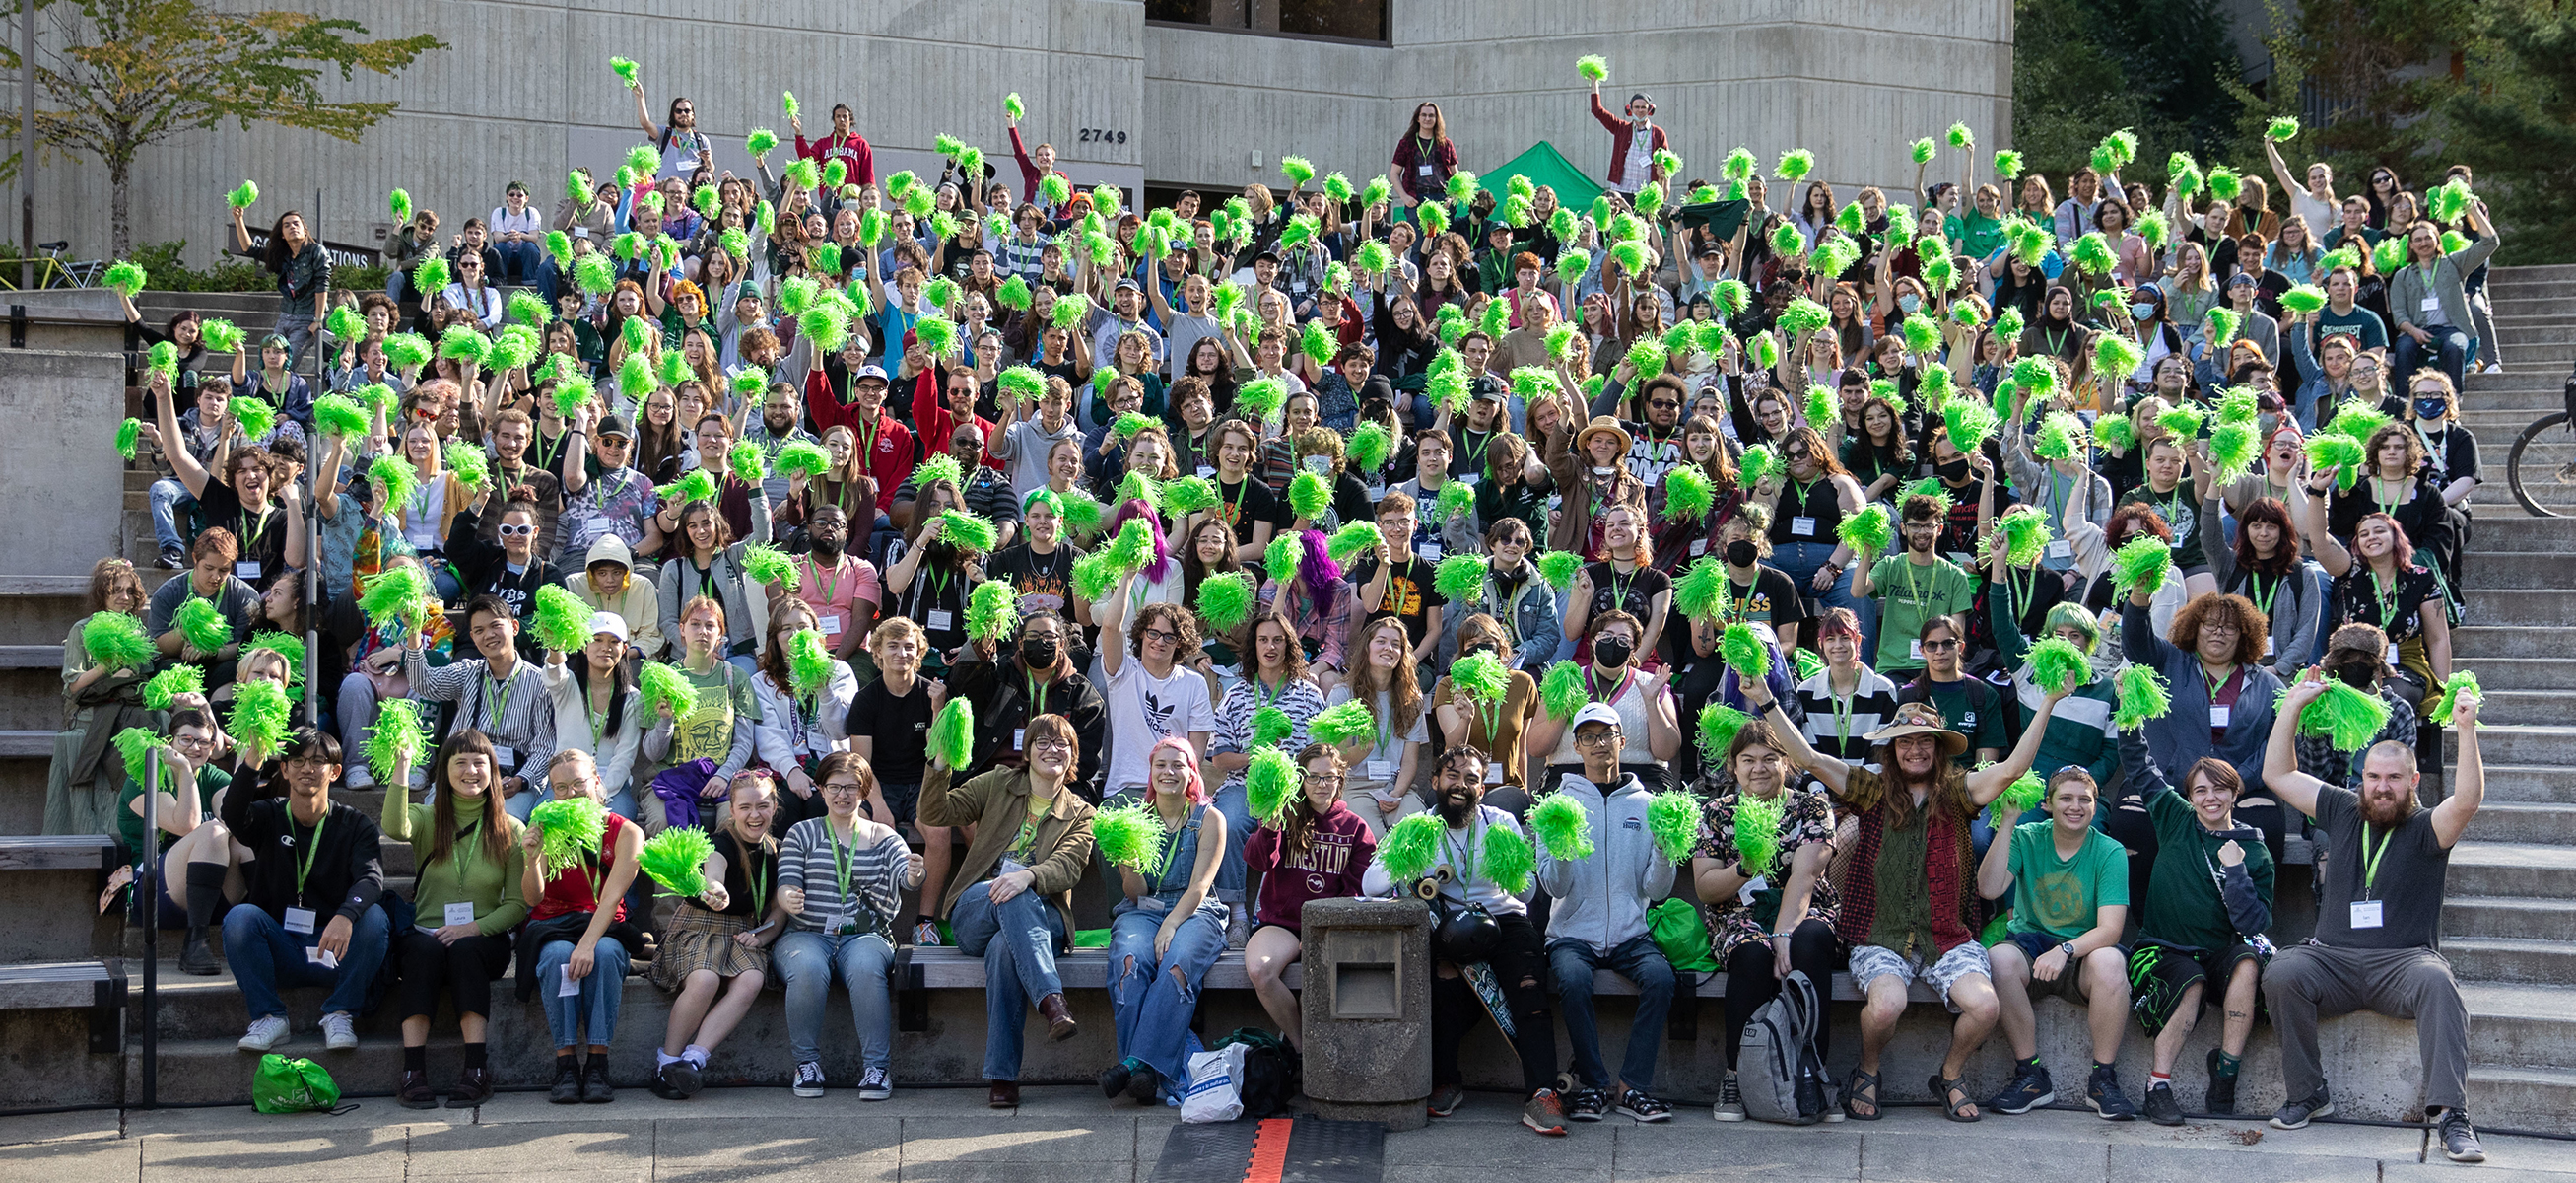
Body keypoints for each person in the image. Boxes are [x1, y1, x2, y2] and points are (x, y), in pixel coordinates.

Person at [1732, 674, 2072, 1122]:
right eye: (1905, 742)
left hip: (1946, 937)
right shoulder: (1870, 790)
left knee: (1986, 1005)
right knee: (1887, 1005)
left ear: (1938, 749)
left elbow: (2012, 769)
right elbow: (1810, 759)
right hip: (1881, 936)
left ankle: (1949, 1074)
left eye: (1925, 742)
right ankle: (1867, 1071)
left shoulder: (1958, 791)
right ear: (1891, 749)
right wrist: (1767, 700)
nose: (1915, 750)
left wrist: (2047, 699)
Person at [2261, 672, 2487, 1162]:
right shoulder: (2342, 808)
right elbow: (2277, 776)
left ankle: (2452, 1115)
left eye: (2393, 778)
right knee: (2282, 971)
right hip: (2333, 961)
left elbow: (2467, 801)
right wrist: (2292, 707)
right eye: (2373, 777)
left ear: (2413, 781)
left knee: (2439, 984)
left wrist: (2465, 731)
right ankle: (2308, 1093)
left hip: (2403, 964)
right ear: (2360, 778)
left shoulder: (2429, 827)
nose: (2382, 788)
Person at [1360, 748, 1567, 1135]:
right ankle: (1446, 1082)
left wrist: (1508, 864)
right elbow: (1370, 885)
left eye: (1471, 779)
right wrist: (1408, 854)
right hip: (1450, 926)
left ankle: (1542, 1093)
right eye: (1452, 776)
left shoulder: (1501, 821)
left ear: (1482, 788)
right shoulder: (1417, 824)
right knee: (1440, 982)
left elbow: (1525, 896)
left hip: (1505, 920)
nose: (1461, 785)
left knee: (1529, 986)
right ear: (1435, 780)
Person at [918, 711, 1100, 1109]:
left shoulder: (1082, 813)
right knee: (1006, 895)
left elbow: (1069, 866)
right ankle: (1052, 1002)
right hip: (975, 910)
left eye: (1062, 744)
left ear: (1072, 756)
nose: (1052, 750)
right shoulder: (999, 783)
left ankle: (1003, 1078)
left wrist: (1028, 876)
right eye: (1042, 742)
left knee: (1005, 948)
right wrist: (940, 765)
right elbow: (936, 814)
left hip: (1043, 916)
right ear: (1027, 750)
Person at [1691, 717, 1843, 1122]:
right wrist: (1745, 867)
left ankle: (1814, 1071)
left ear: (1786, 762)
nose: (1759, 768)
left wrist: (1783, 933)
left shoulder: (1811, 806)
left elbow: (1806, 874)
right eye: (1748, 760)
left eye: (1770, 758)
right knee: (1753, 955)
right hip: (1736, 916)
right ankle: (1735, 1076)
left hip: (1805, 908)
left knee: (1809, 944)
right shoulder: (1717, 813)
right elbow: (1706, 887)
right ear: (1733, 766)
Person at [1975, 768, 2140, 1121]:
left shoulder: (2108, 850)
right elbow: (1989, 889)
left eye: (2085, 800)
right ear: (2048, 804)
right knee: (1998, 959)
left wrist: (2065, 950)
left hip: (2081, 954)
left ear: (2096, 807)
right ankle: (2031, 1075)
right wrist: (2006, 823)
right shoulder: (2026, 836)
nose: (2075, 806)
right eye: (2066, 798)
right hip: (2029, 947)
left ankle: (2103, 1079)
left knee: (2111, 963)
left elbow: (2110, 930)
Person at [1538, 707, 1678, 1124]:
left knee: (1660, 978)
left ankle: (1633, 1086)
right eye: (1589, 736)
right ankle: (1595, 1085)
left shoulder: (1650, 804)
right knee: (1574, 978)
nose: (1599, 744)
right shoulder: (1557, 805)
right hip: (1570, 934)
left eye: (1608, 735)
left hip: (1629, 934)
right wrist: (1563, 844)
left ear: (1622, 740)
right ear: (1576, 745)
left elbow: (1657, 890)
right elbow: (1553, 888)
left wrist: (1666, 850)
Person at [2123, 750, 2276, 1126]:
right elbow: (2139, 763)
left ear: (2235, 793)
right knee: (2190, 981)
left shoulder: (2253, 850)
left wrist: (2235, 870)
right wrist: (2129, 705)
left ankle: (2226, 1073)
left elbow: (2253, 924)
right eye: (2201, 790)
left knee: (2246, 963)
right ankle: (2157, 1087)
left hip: (2217, 953)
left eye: (2220, 788)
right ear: (2189, 797)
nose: (2211, 797)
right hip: (2160, 950)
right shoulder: (2176, 818)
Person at [219, 729, 390, 1056]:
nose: (306, 768)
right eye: (297, 760)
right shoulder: (270, 814)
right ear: (284, 769)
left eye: (318, 761)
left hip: (335, 951)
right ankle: (270, 1017)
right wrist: (253, 759)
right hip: (282, 948)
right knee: (240, 917)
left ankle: (339, 1013)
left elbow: (371, 878)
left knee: (376, 918)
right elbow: (232, 815)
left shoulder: (356, 824)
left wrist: (346, 915)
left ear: (335, 771)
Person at [382, 731, 528, 1109]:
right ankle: (412, 1071)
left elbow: (516, 905)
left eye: (479, 762)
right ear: (444, 772)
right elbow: (395, 828)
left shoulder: (511, 829)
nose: (470, 770)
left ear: (493, 771)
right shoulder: (428, 817)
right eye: (460, 762)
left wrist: (471, 928)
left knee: (466, 951)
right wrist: (402, 764)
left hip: (483, 938)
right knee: (420, 952)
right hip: (426, 933)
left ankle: (476, 1070)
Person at [775, 752, 923, 1101]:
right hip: (807, 933)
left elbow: (909, 877)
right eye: (834, 787)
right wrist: (787, 898)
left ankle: (877, 1068)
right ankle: (806, 1064)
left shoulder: (883, 835)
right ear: (821, 790)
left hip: (866, 935)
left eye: (852, 787)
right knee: (807, 967)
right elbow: (785, 883)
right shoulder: (802, 833)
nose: (843, 795)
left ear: (865, 790)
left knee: (866, 964)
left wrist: (916, 873)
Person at [1097, 739, 1230, 1103]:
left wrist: (1171, 923)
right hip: (1143, 909)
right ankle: (1148, 1073)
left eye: (1177, 765)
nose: (1168, 772)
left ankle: (1133, 1066)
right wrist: (1128, 857)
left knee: (1176, 964)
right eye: (1161, 765)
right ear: (1151, 773)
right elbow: (1136, 891)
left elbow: (1201, 886)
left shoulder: (1209, 819)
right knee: (1129, 962)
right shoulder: (1133, 821)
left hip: (1195, 912)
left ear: (1192, 773)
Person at [646, 772, 788, 1100]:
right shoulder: (719, 843)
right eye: (745, 807)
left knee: (752, 978)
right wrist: (716, 890)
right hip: (698, 927)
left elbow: (779, 907)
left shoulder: (776, 850)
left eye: (762, 806)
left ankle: (693, 1061)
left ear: (774, 807)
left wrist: (764, 938)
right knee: (705, 980)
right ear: (732, 810)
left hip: (742, 932)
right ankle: (666, 1062)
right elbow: (715, 873)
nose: (755, 815)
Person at [524, 749, 644, 1104]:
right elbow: (532, 899)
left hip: (604, 924)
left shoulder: (627, 832)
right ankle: (565, 1063)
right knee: (559, 957)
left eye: (579, 783)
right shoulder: (545, 825)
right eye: (560, 788)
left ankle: (597, 1062)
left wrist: (589, 943)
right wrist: (531, 859)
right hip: (554, 924)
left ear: (597, 782)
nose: (571, 793)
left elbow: (610, 899)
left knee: (606, 955)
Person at [1241, 742, 1377, 1051]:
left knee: (1317, 985)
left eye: (1329, 777)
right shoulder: (1284, 815)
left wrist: (1323, 928)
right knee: (1260, 970)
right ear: (1301, 779)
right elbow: (1257, 861)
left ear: (1340, 780)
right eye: (1313, 777)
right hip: (1282, 923)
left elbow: (1356, 890)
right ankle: (1303, 1049)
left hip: (1330, 923)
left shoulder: (1355, 828)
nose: (1321, 784)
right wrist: (1270, 828)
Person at [2124, 589, 2285, 846]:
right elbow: (2135, 640)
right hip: (2165, 783)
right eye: (2210, 623)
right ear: (2194, 627)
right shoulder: (2166, 661)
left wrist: (2243, 778)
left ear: (2244, 634)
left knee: (2266, 827)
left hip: (2238, 789)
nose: (2219, 631)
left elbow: (2279, 740)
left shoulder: (2269, 685)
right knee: (2131, 823)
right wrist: (2141, 596)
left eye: (2230, 627)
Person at [407, 593, 559, 820]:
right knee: (433, 819)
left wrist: (520, 780)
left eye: (495, 626)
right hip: (464, 771)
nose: (488, 635)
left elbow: (544, 747)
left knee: (507, 823)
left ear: (514, 627)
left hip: (515, 778)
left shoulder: (540, 681)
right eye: (479, 631)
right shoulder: (467, 671)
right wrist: (413, 632)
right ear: (472, 637)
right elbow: (424, 683)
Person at [640, 595, 765, 828]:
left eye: (710, 626)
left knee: (734, 826)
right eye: (695, 624)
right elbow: (653, 754)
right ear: (682, 630)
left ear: (720, 634)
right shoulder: (662, 680)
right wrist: (666, 722)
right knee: (663, 824)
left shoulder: (736, 678)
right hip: (670, 777)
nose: (702, 632)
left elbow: (744, 743)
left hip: (723, 777)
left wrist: (724, 775)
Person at [1527, 611, 1681, 792]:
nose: (1614, 642)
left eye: (1624, 639)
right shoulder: (1564, 681)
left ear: (1634, 649)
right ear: (1592, 641)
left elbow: (1667, 751)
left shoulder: (1651, 684)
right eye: (1606, 636)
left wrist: (1651, 702)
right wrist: (1564, 705)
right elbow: (1536, 749)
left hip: (1640, 779)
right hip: (1570, 777)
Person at [1098, 581, 1216, 797]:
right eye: (1153, 633)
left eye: (1169, 636)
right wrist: (1129, 574)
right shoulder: (1123, 672)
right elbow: (1110, 626)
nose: (1160, 641)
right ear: (1142, 634)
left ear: (1179, 643)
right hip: (1127, 789)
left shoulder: (1194, 683)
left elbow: (1195, 755)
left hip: (1174, 789)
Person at [748, 603, 859, 825]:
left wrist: (824, 690)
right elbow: (769, 735)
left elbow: (839, 732)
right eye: (786, 628)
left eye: (802, 626)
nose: (795, 634)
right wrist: (792, 771)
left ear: (816, 633)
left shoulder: (839, 671)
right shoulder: (761, 682)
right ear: (775, 637)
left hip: (831, 768)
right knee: (782, 807)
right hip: (785, 769)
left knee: (821, 805)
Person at [1322, 616, 1431, 836]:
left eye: (1396, 644)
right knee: (1375, 837)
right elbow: (1332, 759)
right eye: (1380, 641)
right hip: (1355, 785)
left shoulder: (1413, 699)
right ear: (1367, 648)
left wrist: (1397, 793)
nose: (1388, 648)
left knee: (1416, 829)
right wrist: (1363, 750)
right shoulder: (1343, 694)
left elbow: (1410, 760)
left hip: (1395, 785)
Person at [1851, 493, 1976, 679]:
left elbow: (1957, 633)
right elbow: (1858, 590)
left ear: (1939, 529)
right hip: (1894, 666)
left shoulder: (1954, 575)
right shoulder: (1890, 565)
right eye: (1915, 526)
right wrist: (1868, 552)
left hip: (1937, 666)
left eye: (1928, 526)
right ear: (1903, 528)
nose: (1921, 532)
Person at [1793, 608, 1901, 764]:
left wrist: (1857, 786)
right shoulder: (1806, 692)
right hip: (1819, 787)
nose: (1838, 645)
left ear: (1857, 640)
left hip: (1870, 785)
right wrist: (1817, 788)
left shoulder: (1883, 690)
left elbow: (1882, 755)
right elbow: (1809, 754)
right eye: (1830, 639)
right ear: (1820, 644)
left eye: (1845, 637)